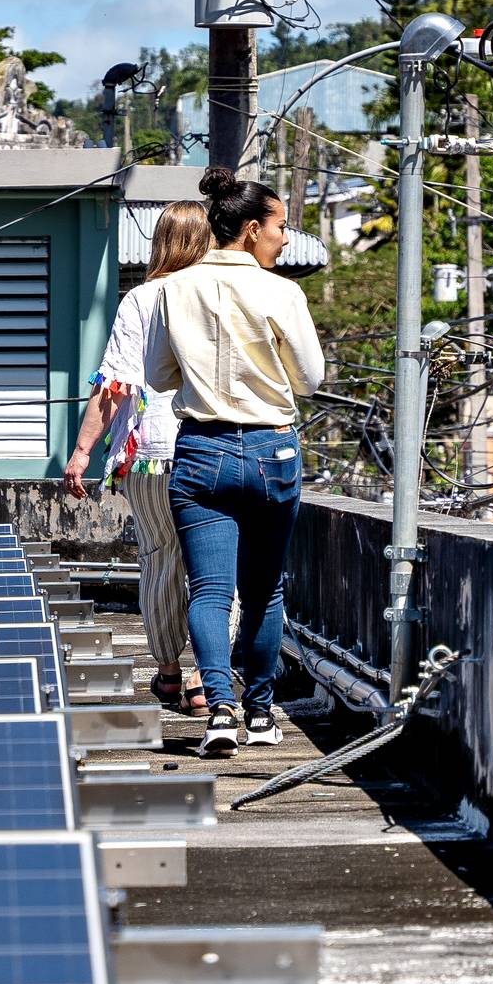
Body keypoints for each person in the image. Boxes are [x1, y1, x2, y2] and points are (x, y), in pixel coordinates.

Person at [156, 165, 325, 757]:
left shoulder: (174, 288)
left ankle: (219, 710)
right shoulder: (282, 292)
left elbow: (156, 374)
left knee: (207, 590)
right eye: (281, 226)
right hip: (270, 449)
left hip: (201, 449)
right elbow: (310, 378)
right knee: (264, 592)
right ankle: (259, 712)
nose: (286, 236)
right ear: (252, 230)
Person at [63, 200, 213, 713]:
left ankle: (169, 674)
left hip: (149, 455)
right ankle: (203, 675)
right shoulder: (223, 295)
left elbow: (113, 389)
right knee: (216, 570)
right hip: (215, 447)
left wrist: (82, 451)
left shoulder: (141, 300)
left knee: (159, 560)